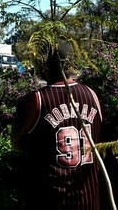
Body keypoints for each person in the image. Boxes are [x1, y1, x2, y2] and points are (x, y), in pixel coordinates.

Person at [11, 40, 102, 210]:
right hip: (88, 198)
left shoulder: (34, 100)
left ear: (44, 65)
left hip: (49, 199)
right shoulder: (92, 95)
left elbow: (16, 143)